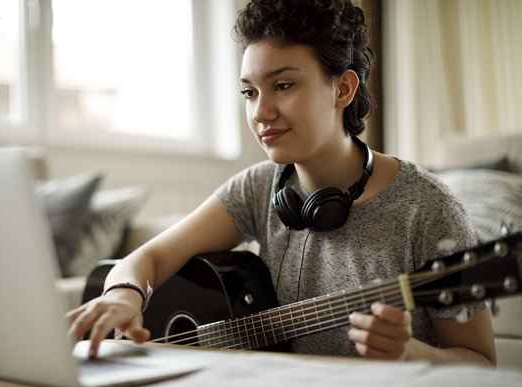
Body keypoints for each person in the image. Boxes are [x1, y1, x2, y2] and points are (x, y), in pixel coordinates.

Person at [66, 0, 495, 365]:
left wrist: (414, 353)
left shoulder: (428, 208)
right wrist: (123, 295)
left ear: (343, 89)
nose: (260, 113)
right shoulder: (258, 188)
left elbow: (481, 365)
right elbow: (150, 258)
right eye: (249, 92)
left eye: (283, 85)